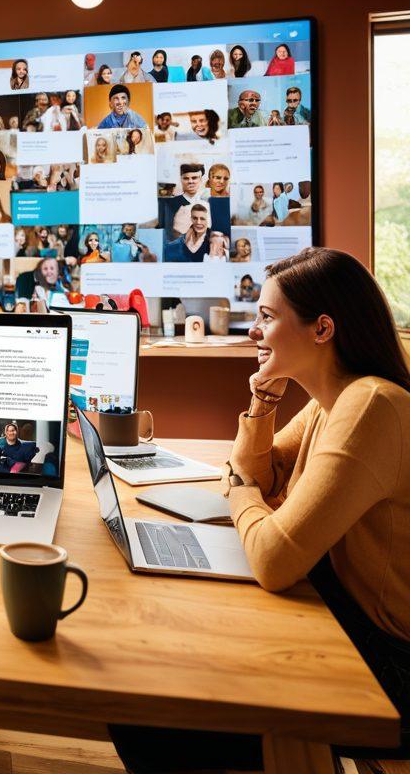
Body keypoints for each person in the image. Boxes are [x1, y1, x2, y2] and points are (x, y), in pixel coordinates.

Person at [112, 247, 410, 773]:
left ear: (322, 329)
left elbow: (272, 558)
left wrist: (242, 491)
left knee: (144, 714)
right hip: (343, 616)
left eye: (267, 318)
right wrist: (262, 403)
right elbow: (260, 469)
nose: (253, 331)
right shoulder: (333, 402)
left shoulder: (371, 406)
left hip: (391, 667)